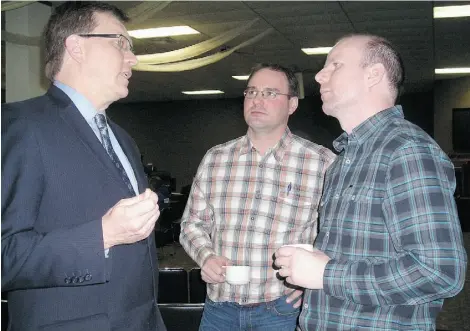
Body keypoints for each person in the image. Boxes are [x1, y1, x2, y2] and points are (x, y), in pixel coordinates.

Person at [274, 34, 467, 330]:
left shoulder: (406, 150)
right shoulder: (344, 160)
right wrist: (315, 272)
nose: (320, 75)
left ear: (374, 74)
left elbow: (439, 272)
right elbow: (357, 258)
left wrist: (326, 274)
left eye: (334, 65)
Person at [1, 2, 166, 330]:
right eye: (121, 43)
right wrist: (101, 236)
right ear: (76, 46)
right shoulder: (20, 125)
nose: (132, 58)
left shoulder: (123, 138)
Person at [179, 63, 335, 330]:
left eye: (270, 93)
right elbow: (191, 224)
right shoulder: (216, 158)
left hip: (282, 310)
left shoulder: (321, 162)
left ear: (292, 105)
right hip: (219, 308)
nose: (257, 100)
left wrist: (314, 280)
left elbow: (336, 235)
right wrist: (206, 257)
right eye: (251, 92)